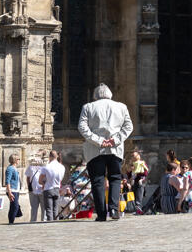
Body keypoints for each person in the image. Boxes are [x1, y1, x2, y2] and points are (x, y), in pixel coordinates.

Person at [77, 83, 134, 223]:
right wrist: (115, 140)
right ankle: (114, 209)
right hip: (115, 148)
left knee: (97, 181)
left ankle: (101, 214)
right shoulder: (121, 107)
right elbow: (129, 126)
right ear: (110, 94)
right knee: (115, 178)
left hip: (94, 149)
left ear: (95, 96)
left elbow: (82, 127)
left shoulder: (88, 107)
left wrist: (99, 140)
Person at [40, 150, 64, 222]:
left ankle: (50, 224)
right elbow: (61, 179)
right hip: (57, 188)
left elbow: (40, 180)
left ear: (49, 156)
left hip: (48, 188)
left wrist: (44, 184)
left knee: (49, 209)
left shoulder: (46, 166)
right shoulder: (62, 167)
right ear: (56, 156)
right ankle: (56, 223)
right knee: (55, 209)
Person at [26, 154, 45, 223]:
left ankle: (44, 222)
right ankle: (33, 222)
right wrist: (29, 187)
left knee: (43, 208)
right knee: (34, 208)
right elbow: (28, 178)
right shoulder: (30, 167)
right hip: (33, 191)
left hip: (42, 191)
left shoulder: (44, 167)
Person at [5, 153, 23, 224]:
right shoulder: (10, 168)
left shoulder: (15, 168)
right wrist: (9, 192)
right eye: (18, 159)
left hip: (16, 190)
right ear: (15, 160)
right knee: (15, 207)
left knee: (13, 206)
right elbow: (7, 181)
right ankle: (11, 222)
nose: (19, 160)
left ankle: (11, 221)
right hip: (12, 190)